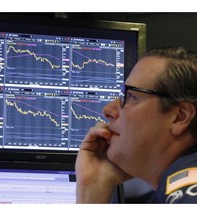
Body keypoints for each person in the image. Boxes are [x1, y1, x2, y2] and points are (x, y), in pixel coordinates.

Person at [75, 47, 197, 204]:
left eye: (131, 96)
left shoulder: (186, 190)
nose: (107, 110)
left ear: (180, 117)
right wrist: (93, 188)